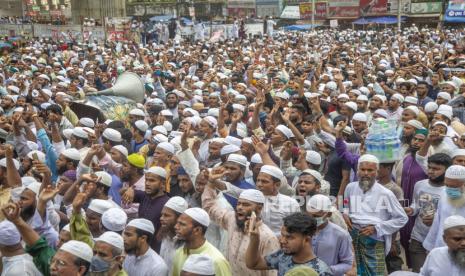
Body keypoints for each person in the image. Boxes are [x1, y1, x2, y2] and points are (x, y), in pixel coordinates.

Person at [343, 154, 408, 275]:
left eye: (370, 170)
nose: (366, 173)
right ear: (357, 171)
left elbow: (402, 218)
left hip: (374, 239)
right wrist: (345, 213)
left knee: (375, 273)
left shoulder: (386, 193)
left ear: (376, 172)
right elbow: (345, 203)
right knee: (353, 271)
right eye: (362, 169)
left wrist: (376, 228)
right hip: (353, 237)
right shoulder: (350, 187)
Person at [202, 179, 279, 276]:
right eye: (239, 204)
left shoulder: (267, 237)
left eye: (246, 205)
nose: (240, 207)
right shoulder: (232, 220)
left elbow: (272, 273)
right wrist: (210, 183)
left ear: (259, 208)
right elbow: (210, 208)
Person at [405, 153, 451, 272]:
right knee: (419, 272)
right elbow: (416, 204)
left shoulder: (450, 191)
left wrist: (436, 220)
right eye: (430, 167)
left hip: (440, 242)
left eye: (436, 169)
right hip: (418, 239)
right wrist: (411, 210)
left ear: (447, 170)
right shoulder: (420, 185)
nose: (431, 171)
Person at [246, 212, 332, 276]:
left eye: (289, 237)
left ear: (306, 239)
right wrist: (255, 239)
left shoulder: (321, 271)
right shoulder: (283, 256)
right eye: (282, 235)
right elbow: (254, 264)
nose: (282, 241)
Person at [172, 207, 232, 276]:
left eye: (182, 224)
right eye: (177, 223)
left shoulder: (217, 260)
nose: (176, 227)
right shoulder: (179, 253)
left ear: (197, 230)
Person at [306, 195, 354, 275]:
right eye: (310, 215)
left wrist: (326, 270)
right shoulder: (300, 230)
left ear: (329, 214)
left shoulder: (340, 234)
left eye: (316, 216)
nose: (312, 218)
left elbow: (348, 264)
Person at [423, 165, 465, 251]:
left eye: (453, 186)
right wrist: (430, 247)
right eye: (447, 185)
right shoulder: (444, 193)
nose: (449, 189)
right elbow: (437, 221)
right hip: (441, 246)